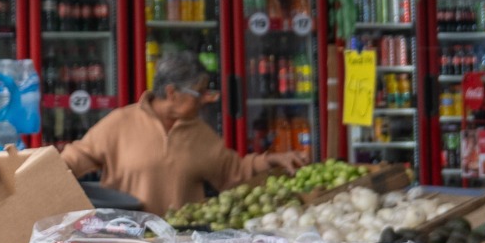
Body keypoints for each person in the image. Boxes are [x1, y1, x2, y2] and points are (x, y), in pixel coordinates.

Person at [60, 50, 306, 215]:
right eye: (199, 94)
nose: (205, 101)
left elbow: (234, 172)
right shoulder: (120, 122)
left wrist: (272, 159)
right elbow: (74, 159)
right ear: (171, 93)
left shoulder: (202, 134)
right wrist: (35, 176)